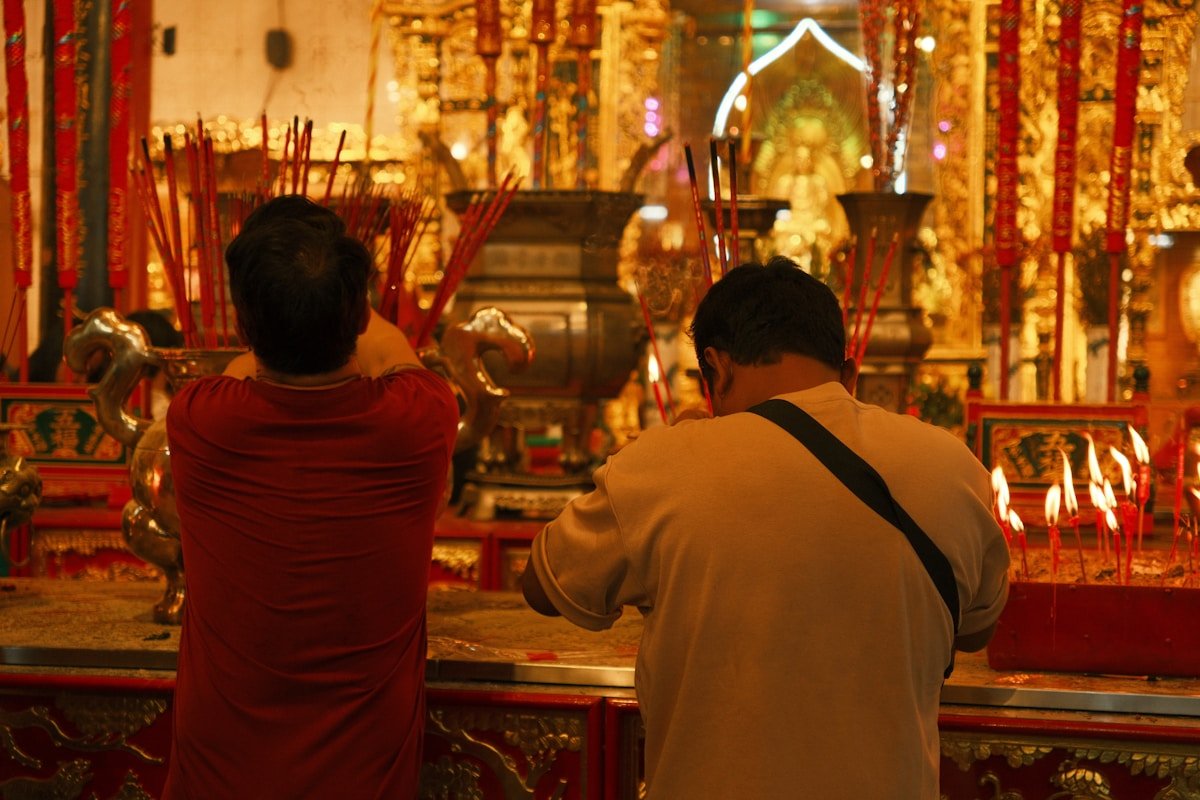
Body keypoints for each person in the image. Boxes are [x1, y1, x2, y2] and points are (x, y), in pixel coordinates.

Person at [521, 257, 1009, 799]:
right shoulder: (953, 467)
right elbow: (977, 629)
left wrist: (653, 459)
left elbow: (543, 585)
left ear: (717, 369)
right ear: (849, 375)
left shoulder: (664, 465)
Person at [164, 195, 459, 799]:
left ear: (243, 328)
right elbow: (394, 354)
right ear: (358, 315)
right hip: (364, 781)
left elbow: (250, 370)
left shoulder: (198, 419)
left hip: (218, 778)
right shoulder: (421, 417)